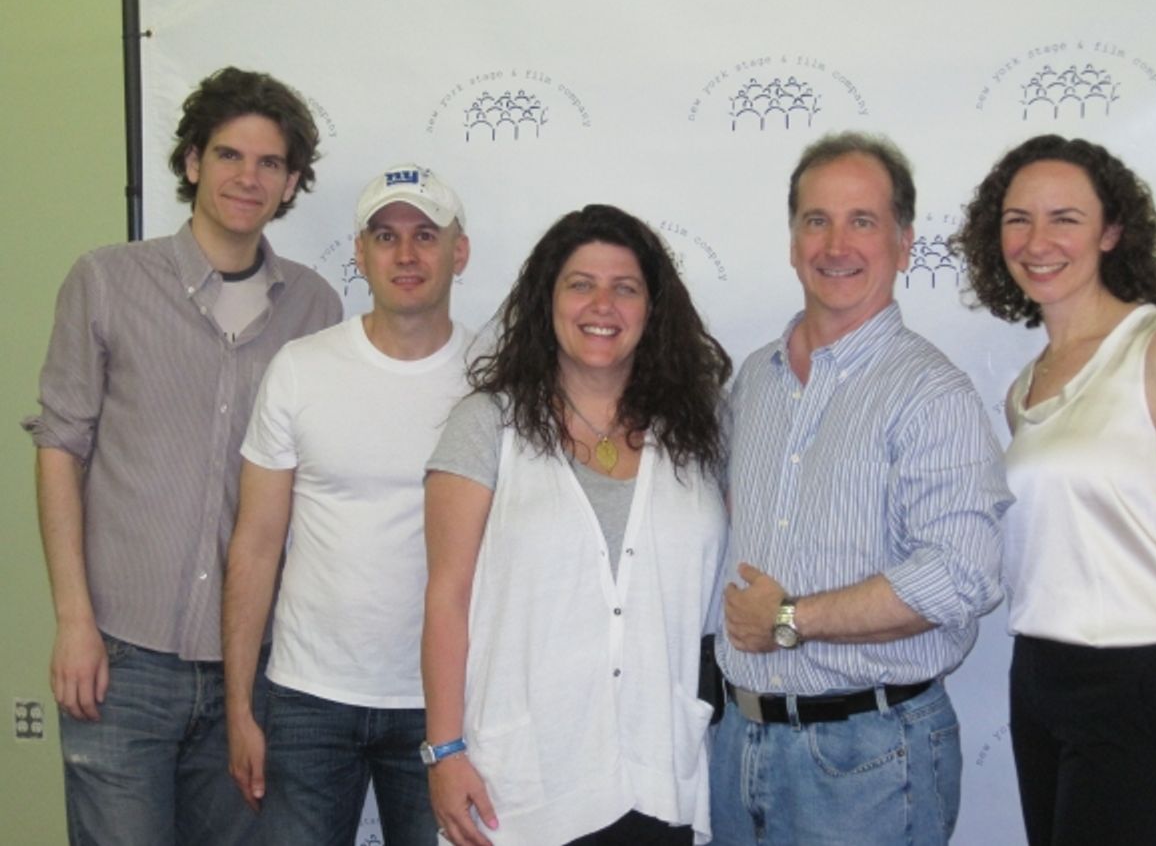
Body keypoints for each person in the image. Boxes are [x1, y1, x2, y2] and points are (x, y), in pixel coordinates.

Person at [22, 66, 342, 845]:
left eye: (270, 163)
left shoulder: (315, 308)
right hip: (119, 659)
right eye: (229, 155)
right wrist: (74, 621)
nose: (248, 178)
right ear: (194, 161)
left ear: (291, 182)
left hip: (250, 673)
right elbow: (61, 449)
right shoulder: (106, 280)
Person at [711, 131, 1012, 846]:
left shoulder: (931, 394)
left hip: (869, 758)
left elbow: (961, 577)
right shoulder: (753, 382)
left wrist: (790, 618)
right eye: (816, 220)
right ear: (793, 241)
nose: (836, 244)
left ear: (904, 245)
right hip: (738, 743)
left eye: (863, 221)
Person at [421, 204, 731, 846]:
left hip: (657, 775)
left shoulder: (700, 432)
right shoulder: (487, 423)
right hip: (522, 787)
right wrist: (444, 750)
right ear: (548, 300)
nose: (602, 305)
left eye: (626, 288)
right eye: (580, 284)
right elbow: (447, 597)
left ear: (653, 309)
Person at [954, 134, 1156, 846]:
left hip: (1147, 675)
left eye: (1065, 218)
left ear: (1111, 232)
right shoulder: (1023, 390)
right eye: (1018, 219)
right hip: (1039, 673)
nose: (1038, 241)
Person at [221, 164, 471, 845]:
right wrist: (240, 707)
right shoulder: (301, 369)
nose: (406, 254)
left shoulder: (494, 381)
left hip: (444, 705)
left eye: (426, 235)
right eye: (385, 237)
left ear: (460, 252)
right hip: (307, 700)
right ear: (360, 254)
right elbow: (256, 544)